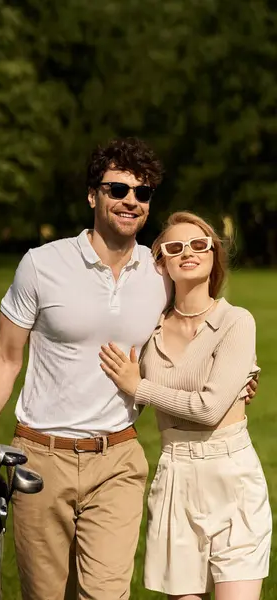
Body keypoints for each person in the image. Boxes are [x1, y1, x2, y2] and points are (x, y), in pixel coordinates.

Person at [0, 138, 257, 600]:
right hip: (42, 455)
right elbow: (5, 356)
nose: (130, 201)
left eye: (142, 194)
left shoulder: (159, 274)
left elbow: (189, 333)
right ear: (92, 195)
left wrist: (238, 378)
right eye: (117, 189)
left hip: (118, 459)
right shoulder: (41, 265)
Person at [99, 211, 271, 600]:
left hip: (232, 477)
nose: (188, 252)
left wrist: (140, 387)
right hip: (175, 476)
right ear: (161, 262)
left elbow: (210, 409)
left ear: (213, 254)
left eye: (198, 244)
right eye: (174, 247)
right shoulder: (147, 332)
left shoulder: (236, 322)